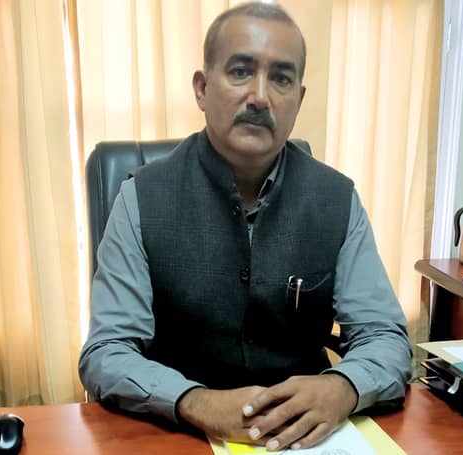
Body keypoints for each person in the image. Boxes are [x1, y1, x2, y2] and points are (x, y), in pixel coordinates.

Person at [79, 2, 411, 451]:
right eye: (240, 72)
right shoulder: (140, 197)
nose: (260, 97)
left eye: (281, 78)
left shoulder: (337, 198)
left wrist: (343, 387)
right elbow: (107, 351)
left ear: (299, 99)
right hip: (180, 433)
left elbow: (385, 336)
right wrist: (195, 401)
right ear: (202, 89)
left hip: (305, 437)